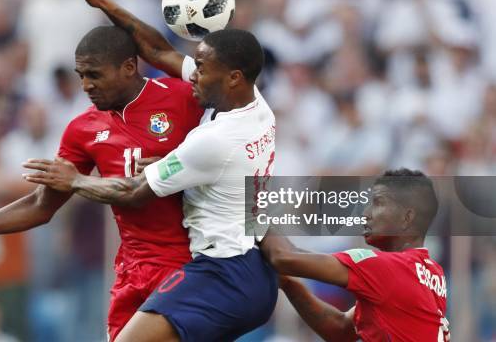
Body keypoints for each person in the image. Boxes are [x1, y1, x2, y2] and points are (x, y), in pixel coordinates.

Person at [0, 25, 205, 341]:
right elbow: (41, 205)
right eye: (81, 75)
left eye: (95, 75)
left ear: (129, 67)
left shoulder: (184, 97)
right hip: (133, 272)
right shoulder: (83, 129)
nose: (86, 85)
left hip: (192, 264)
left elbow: (243, 150)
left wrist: (267, 241)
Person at [22, 26, 278, 342]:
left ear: (234, 77)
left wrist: (75, 180)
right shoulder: (259, 110)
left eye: (200, 69)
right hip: (213, 266)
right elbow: (159, 51)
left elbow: (134, 192)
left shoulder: (206, 133)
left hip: (213, 269)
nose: (192, 76)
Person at [260, 169, 449, 342]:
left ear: (406, 217)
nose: (366, 213)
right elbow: (340, 330)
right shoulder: (432, 273)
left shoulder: (385, 267)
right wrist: (289, 284)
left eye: (378, 203)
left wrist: (251, 214)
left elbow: (282, 257)